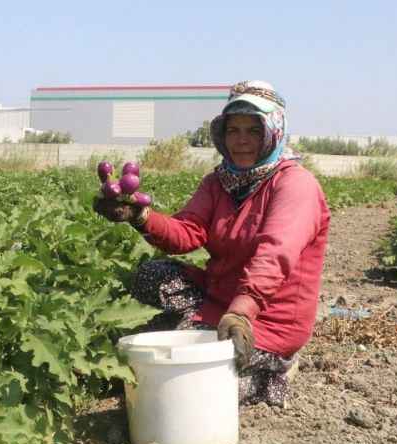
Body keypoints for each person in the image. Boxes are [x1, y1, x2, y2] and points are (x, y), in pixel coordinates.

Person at [94, 80, 331, 406]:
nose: (242, 140)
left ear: (273, 131)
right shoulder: (220, 182)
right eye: (233, 130)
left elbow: (276, 252)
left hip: (266, 319)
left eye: (253, 130)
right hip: (221, 298)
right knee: (151, 276)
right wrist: (140, 216)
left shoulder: (295, 185)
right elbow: (187, 231)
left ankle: (274, 369)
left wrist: (244, 310)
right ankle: (194, 327)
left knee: (192, 392)